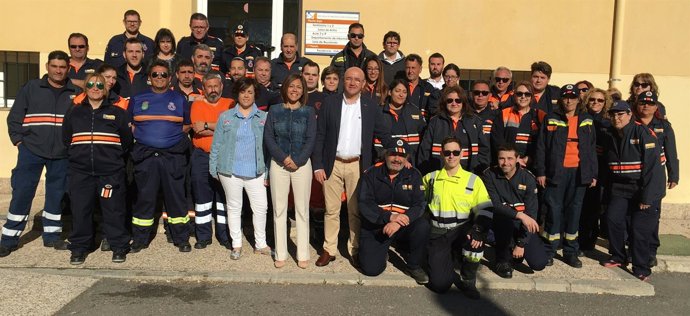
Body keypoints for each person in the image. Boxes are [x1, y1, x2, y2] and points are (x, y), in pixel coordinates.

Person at [312, 67, 396, 267]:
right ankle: (329, 249)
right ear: (343, 81)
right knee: (331, 210)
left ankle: (354, 249)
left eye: (357, 80)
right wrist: (317, 165)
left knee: (355, 210)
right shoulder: (330, 103)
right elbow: (320, 135)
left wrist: (399, 152)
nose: (352, 83)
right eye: (348, 78)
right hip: (332, 164)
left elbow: (383, 133)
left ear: (363, 83)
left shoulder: (370, 105)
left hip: (356, 166)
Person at [1, 51, 81, 257]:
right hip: (31, 151)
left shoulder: (74, 91)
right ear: (47, 67)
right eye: (54, 66)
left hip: (62, 153)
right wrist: (19, 141)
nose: (58, 70)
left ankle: (52, 237)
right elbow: (15, 117)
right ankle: (9, 239)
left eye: (62, 67)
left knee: (56, 195)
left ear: (68, 69)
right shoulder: (32, 88)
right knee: (22, 193)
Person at [62, 73, 133, 264]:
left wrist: (110, 158)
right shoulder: (74, 112)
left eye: (100, 85)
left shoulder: (117, 113)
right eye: (91, 84)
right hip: (81, 172)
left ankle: (118, 246)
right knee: (80, 210)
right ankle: (79, 248)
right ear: (85, 87)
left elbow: (126, 141)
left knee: (114, 210)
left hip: (110, 172)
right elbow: (66, 139)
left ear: (106, 89)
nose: (95, 88)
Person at [128, 60, 193, 253]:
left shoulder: (179, 99)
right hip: (146, 157)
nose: (159, 78)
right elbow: (130, 124)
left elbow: (187, 125)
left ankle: (181, 238)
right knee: (144, 199)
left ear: (170, 77)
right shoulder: (138, 99)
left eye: (163, 74)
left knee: (176, 198)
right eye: (155, 74)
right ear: (149, 78)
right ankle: (140, 239)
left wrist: (168, 139)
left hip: (172, 157)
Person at [600, 100, 665, 281]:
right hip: (620, 188)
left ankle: (641, 267)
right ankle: (618, 256)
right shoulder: (610, 133)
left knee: (639, 230)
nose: (616, 117)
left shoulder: (643, 132)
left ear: (629, 114)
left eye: (620, 114)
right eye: (613, 114)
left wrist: (647, 197)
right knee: (612, 219)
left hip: (643, 188)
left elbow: (653, 169)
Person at [535, 84, 597, 268]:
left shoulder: (587, 120)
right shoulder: (551, 118)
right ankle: (549, 250)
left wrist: (593, 173)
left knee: (574, 212)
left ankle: (571, 251)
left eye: (572, 97)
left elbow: (592, 149)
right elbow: (541, 148)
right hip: (556, 173)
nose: (569, 100)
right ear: (560, 99)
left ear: (578, 99)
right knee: (553, 211)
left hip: (579, 173)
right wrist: (541, 172)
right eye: (565, 97)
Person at [209, 77, 271, 260]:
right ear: (237, 93)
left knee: (261, 208)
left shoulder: (264, 118)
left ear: (255, 95)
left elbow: (268, 148)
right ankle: (236, 244)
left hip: (256, 171)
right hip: (230, 171)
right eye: (243, 91)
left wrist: (267, 171)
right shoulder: (226, 117)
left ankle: (260, 244)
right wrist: (214, 168)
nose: (246, 95)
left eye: (250, 92)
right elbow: (217, 144)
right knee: (234, 208)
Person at [424, 137, 493, 299]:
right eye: (447, 152)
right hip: (438, 234)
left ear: (462, 154)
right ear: (441, 154)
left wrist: (479, 230)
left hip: (462, 232)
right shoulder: (431, 178)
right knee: (440, 285)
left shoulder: (473, 180)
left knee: (476, 240)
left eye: (455, 152)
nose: (451, 156)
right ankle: (447, 258)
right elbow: (419, 203)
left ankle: (468, 279)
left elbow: (486, 209)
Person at [264, 74, 317, 269]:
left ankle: (302, 253)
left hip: (302, 166)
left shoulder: (308, 112)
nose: (295, 90)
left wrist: (298, 159)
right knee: (279, 210)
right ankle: (281, 253)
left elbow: (311, 138)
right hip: (279, 165)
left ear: (303, 91)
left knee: (302, 210)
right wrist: (283, 158)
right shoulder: (274, 110)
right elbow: (269, 137)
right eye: (291, 86)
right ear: (285, 88)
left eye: (299, 87)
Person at [358, 141, 430, 284]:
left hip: (402, 225)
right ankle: (382, 253)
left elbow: (419, 204)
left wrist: (398, 222)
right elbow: (365, 203)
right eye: (393, 154)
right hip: (377, 225)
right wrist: (389, 217)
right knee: (371, 270)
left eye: (401, 155)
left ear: (407, 157)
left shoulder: (414, 175)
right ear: (385, 155)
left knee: (423, 225)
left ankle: (413, 266)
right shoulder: (371, 174)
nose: (397, 159)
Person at [482, 144, 547, 278]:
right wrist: (519, 215)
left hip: (522, 225)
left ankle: (513, 246)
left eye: (510, 158)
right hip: (501, 221)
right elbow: (495, 205)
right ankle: (502, 260)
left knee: (539, 263)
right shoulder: (489, 175)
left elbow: (531, 213)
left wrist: (521, 244)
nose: (506, 162)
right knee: (503, 220)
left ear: (518, 159)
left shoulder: (528, 178)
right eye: (502, 158)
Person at [189, 71, 235, 250]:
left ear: (222, 87)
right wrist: (221, 127)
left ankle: (224, 235)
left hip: (225, 156)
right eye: (209, 86)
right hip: (201, 156)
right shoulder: (197, 105)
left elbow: (232, 128)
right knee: (202, 198)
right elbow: (197, 130)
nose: (213, 90)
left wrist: (208, 125)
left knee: (224, 197)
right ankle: (203, 236)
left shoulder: (230, 103)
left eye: (216, 86)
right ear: (203, 88)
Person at [633, 91, 679, 267]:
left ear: (656, 106)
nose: (646, 106)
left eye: (650, 103)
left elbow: (671, 151)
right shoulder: (632, 123)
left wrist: (674, 175)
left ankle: (651, 251)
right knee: (634, 216)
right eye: (642, 102)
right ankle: (635, 249)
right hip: (635, 176)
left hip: (656, 178)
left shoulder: (663, 126)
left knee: (652, 217)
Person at [418, 85, 489, 175]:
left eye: (458, 100)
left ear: (463, 102)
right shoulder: (435, 122)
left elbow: (484, 151)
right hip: (440, 174)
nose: (454, 103)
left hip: (468, 174)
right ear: (444, 102)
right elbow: (424, 151)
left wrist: (478, 172)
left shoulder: (475, 122)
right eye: (449, 100)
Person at [579, 88, 613, 252]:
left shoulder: (607, 122)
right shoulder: (580, 118)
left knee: (594, 207)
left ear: (605, 103)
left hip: (601, 170)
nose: (596, 103)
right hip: (581, 167)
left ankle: (588, 242)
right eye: (592, 99)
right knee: (580, 205)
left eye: (600, 100)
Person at [490, 81, 546, 169]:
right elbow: (497, 139)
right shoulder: (505, 113)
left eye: (527, 94)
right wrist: (512, 159)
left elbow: (542, 142)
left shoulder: (540, 115)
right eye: (519, 94)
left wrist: (530, 158)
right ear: (514, 96)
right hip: (507, 164)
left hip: (531, 164)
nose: (523, 97)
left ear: (531, 97)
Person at [375, 79, 425, 166]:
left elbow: (423, 138)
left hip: (410, 163)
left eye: (404, 92)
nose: (401, 95)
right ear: (390, 92)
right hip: (384, 163)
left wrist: (409, 159)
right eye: (397, 91)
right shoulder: (379, 112)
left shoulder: (415, 112)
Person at [405, 54, 440, 119]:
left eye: (413, 68)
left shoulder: (428, 88)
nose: (410, 71)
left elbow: (434, 111)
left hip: (422, 126)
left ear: (420, 69)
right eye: (408, 68)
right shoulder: (399, 87)